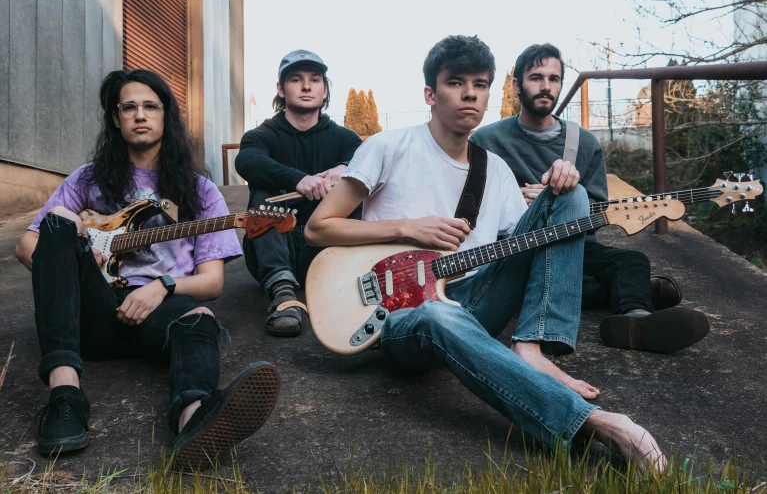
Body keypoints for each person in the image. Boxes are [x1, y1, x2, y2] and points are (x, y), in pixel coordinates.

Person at [304, 36, 666, 473]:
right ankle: (593, 423)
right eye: (455, 82)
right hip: (402, 316)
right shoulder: (388, 147)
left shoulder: (494, 169)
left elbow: (526, 248)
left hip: (475, 299)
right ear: (430, 94)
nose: (470, 93)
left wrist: (560, 186)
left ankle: (531, 346)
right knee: (438, 315)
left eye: (480, 84)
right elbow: (318, 227)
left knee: (571, 196)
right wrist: (406, 226)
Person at [15, 69, 279, 467]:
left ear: (165, 116)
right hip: (90, 312)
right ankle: (65, 398)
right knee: (58, 222)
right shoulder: (86, 180)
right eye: (129, 107)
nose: (140, 114)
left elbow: (211, 283)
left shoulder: (201, 191)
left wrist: (163, 287)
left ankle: (195, 421)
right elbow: (26, 246)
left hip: (157, 313)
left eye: (150, 106)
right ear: (116, 119)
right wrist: (73, 260)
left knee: (201, 318)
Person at [471, 43, 710, 353]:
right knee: (552, 282)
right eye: (536, 77)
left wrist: (563, 200)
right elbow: (470, 204)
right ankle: (630, 291)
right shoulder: (486, 140)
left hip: (571, 246)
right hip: (515, 250)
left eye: (554, 79)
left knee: (632, 260)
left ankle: (636, 321)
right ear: (517, 85)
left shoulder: (582, 142)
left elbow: (596, 215)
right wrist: (517, 204)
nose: (546, 86)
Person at [235, 50, 361, 337]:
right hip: (276, 250)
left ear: (324, 89)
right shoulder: (261, 135)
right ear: (281, 89)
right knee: (264, 195)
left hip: (326, 245)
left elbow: (370, 163)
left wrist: (347, 167)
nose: (306, 86)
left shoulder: (345, 139)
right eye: (296, 79)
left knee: (358, 189)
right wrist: (298, 180)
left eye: (315, 80)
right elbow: (247, 161)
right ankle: (283, 295)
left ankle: (352, 290)